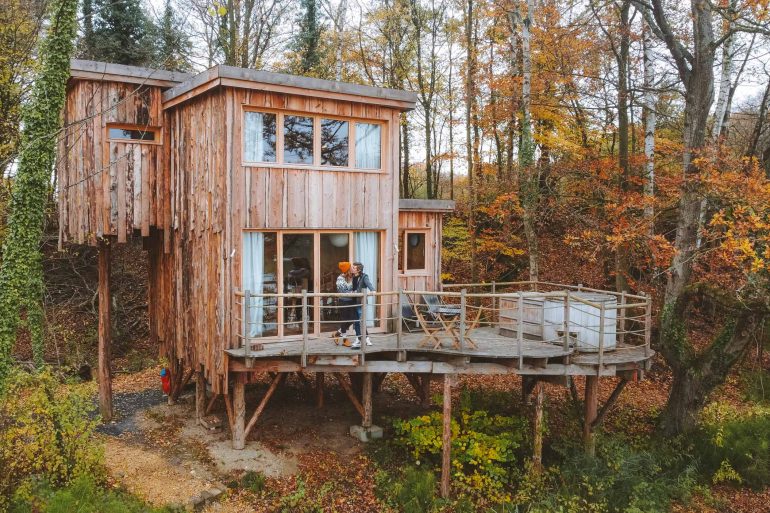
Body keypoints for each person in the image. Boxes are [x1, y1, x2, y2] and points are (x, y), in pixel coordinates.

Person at [350, 262, 376, 349]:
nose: (352, 268)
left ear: (358, 269)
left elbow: (369, 284)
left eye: (354, 267)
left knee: (361, 320)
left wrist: (373, 290)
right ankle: (359, 338)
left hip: (361, 301)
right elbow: (353, 288)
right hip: (354, 301)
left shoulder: (364, 276)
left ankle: (366, 338)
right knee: (356, 321)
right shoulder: (353, 277)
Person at [333, 262, 355, 346]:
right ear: (347, 270)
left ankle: (337, 333)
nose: (352, 269)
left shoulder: (351, 277)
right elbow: (343, 291)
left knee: (352, 319)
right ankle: (345, 339)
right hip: (344, 301)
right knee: (344, 319)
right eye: (350, 268)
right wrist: (353, 291)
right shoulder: (340, 279)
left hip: (351, 301)